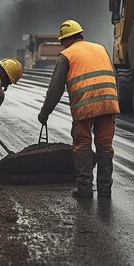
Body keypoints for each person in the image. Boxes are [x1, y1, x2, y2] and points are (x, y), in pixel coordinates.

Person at [38, 20, 120, 198]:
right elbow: (113, 75)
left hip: (85, 106)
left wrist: (44, 113)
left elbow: (55, 89)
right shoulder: (100, 49)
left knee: (82, 144)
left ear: (65, 40)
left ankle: (85, 188)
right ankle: (105, 188)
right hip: (109, 103)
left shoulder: (66, 55)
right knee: (105, 145)